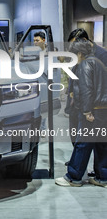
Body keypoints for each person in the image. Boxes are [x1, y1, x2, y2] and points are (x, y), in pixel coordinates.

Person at [55, 39, 107, 187]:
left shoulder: (85, 65)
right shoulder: (99, 62)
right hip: (104, 110)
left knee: (82, 144)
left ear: (79, 53)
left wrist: (86, 111)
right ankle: (103, 177)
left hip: (92, 112)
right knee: (102, 145)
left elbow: (86, 90)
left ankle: (73, 177)